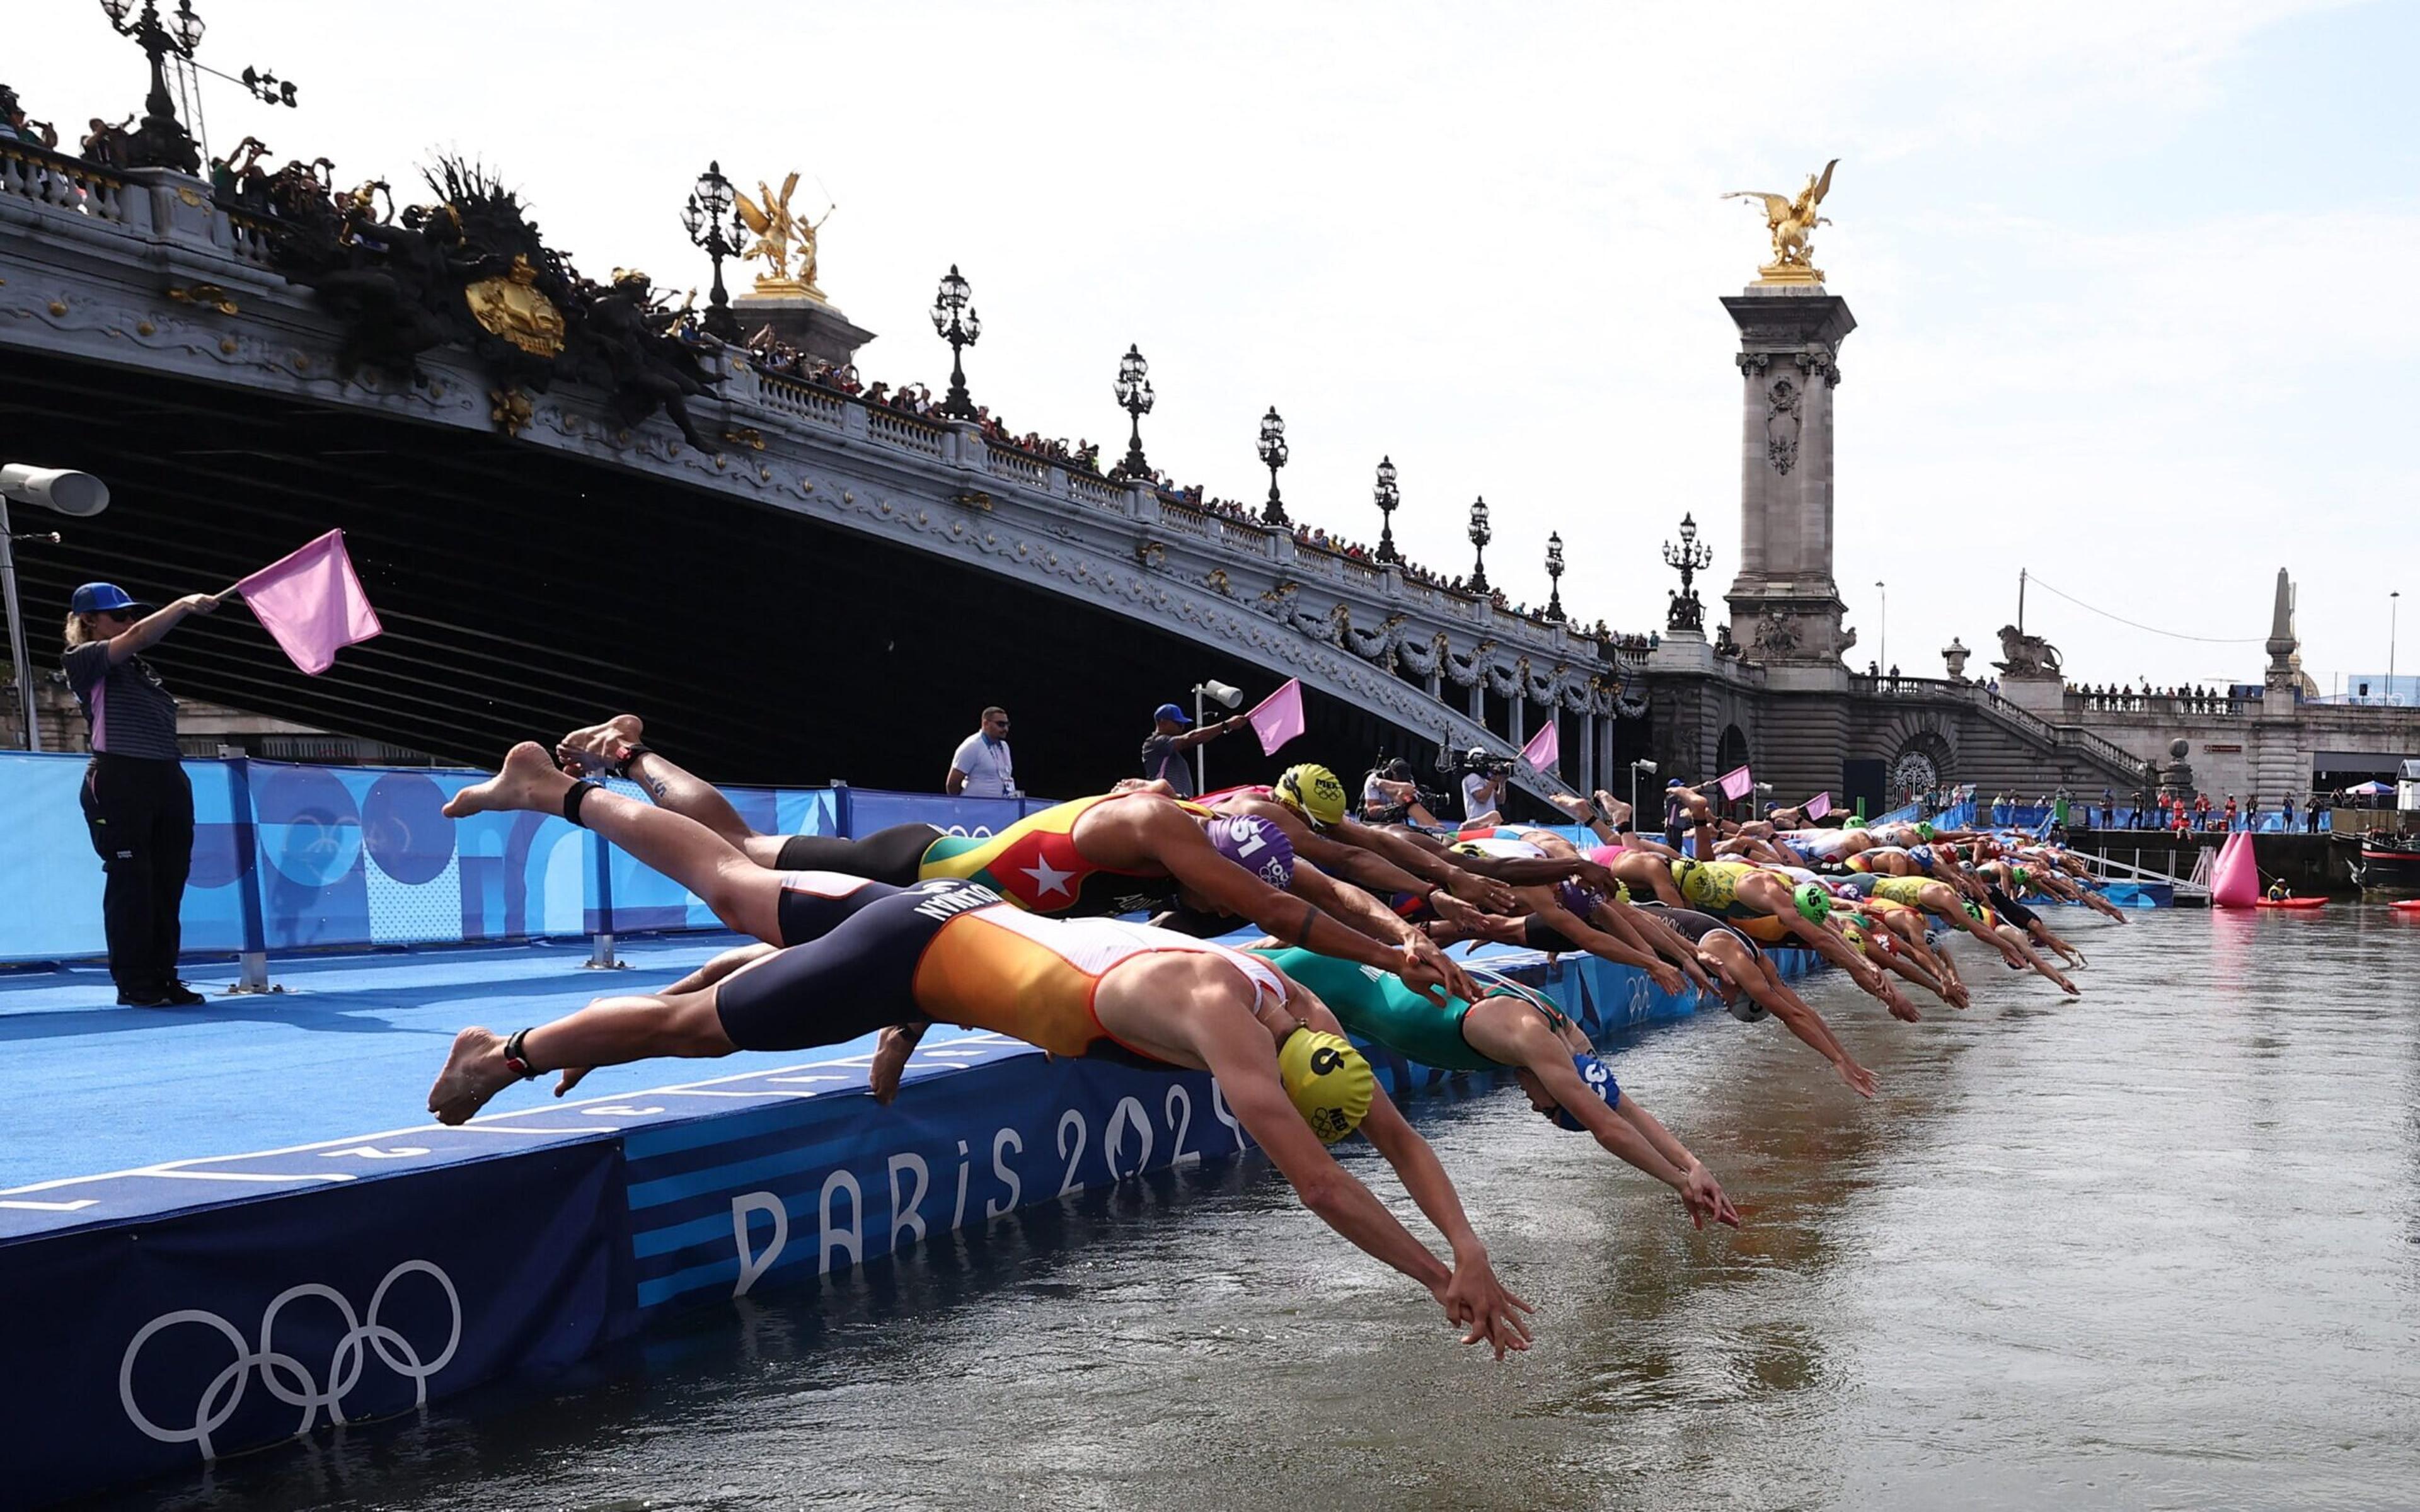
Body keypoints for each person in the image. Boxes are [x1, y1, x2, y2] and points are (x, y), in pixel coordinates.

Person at [429, 764, 1533, 1357]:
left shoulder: (1290, 1005)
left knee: (730, 886)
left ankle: (558, 790)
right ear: (1272, 1078)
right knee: (691, 1024)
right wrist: (1439, 1279)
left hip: (949, 911)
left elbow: (1386, 1132)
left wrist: (1471, 1248)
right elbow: (1325, 1179)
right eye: (1271, 1103)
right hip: (914, 948)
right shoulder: (1225, 1024)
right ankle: (504, 1053)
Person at [1257, 948, 1740, 1227]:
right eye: (1551, 1111)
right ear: (1561, 1087)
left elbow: (1622, 1109)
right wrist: (1678, 1182)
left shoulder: (1569, 1036)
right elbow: (1607, 1129)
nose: (1535, 1110)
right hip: (1318, 977)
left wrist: (1695, 1165)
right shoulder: (1535, 1040)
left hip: (1335, 972)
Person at [60, 582, 221, 1007]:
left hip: (166, 776)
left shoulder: (141, 673)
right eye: (120, 615)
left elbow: (136, 641)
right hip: (119, 776)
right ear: (89, 621)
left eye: (134, 614)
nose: (130, 622)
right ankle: (134, 982)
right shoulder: (84, 660)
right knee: (132, 881)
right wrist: (184, 602)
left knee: (168, 883)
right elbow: (140, 637)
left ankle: (163, 976)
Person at [1137, 701, 1248, 798]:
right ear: (1163, 722)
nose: (1182, 727)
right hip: (1166, 803)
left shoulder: (1169, 751)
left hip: (1178, 804)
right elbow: (1189, 738)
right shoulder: (1156, 742)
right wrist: (1226, 725)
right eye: (1179, 723)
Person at [945, 706, 1016, 798]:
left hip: (1000, 807)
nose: (1006, 729)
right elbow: (952, 784)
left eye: (1007, 725)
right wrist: (961, 804)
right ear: (986, 723)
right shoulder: (972, 746)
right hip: (975, 808)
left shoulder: (1004, 747)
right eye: (1001, 724)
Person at [1460, 753, 1506, 825]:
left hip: (1490, 823)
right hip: (1477, 823)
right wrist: (1494, 781)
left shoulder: (1486, 781)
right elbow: (1482, 798)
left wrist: (1502, 784)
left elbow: (1500, 801)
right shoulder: (1473, 777)